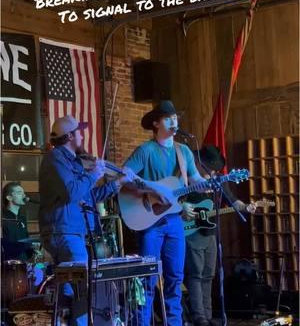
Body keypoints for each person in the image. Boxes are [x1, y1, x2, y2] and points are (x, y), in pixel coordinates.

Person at [39, 115, 137, 326]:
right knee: (83, 292)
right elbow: (72, 192)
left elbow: (88, 197)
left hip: (70, 232)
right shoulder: (55, 158)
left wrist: (118, 182)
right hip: (64, 233)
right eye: (79, 132)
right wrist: (92, 175)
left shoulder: (71, 162)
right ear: (70, 136)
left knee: (71, 292)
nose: (83, 135)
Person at [124, 101, 207, 326]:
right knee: (148, 278)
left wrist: (207, 183)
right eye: (168, 119)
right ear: (155, 123)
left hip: (174, 222)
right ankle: (143, 322)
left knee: (175, 278)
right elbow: (124, 177)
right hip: (150, 222)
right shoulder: (145, 151)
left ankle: (174, 323)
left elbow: (194, 178)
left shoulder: (184, 151)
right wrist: (152, 188)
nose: (174, 122)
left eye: (175, 118)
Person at [182, 145, 257, 326]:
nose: (213, 171)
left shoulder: (218, 181)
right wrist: (185, 209)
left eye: (214, 168)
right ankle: (198, 316)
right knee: (195, 274)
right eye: (209, 166)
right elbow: (176, 200)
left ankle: (207, 315)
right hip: (191, 231)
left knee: (209, 274)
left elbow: (231, 199)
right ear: (199, 163)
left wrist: (245, 206)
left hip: (210, 233)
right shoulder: (186, 178)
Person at [2, 182, 34, 261]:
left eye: (24, 193)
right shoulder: (3, 219)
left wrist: (32, 250)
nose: (24, 196)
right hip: (7, 266)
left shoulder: (22, 218)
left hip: (23, 264)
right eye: (19, 192)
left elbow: (26, 241)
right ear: (9, 197)